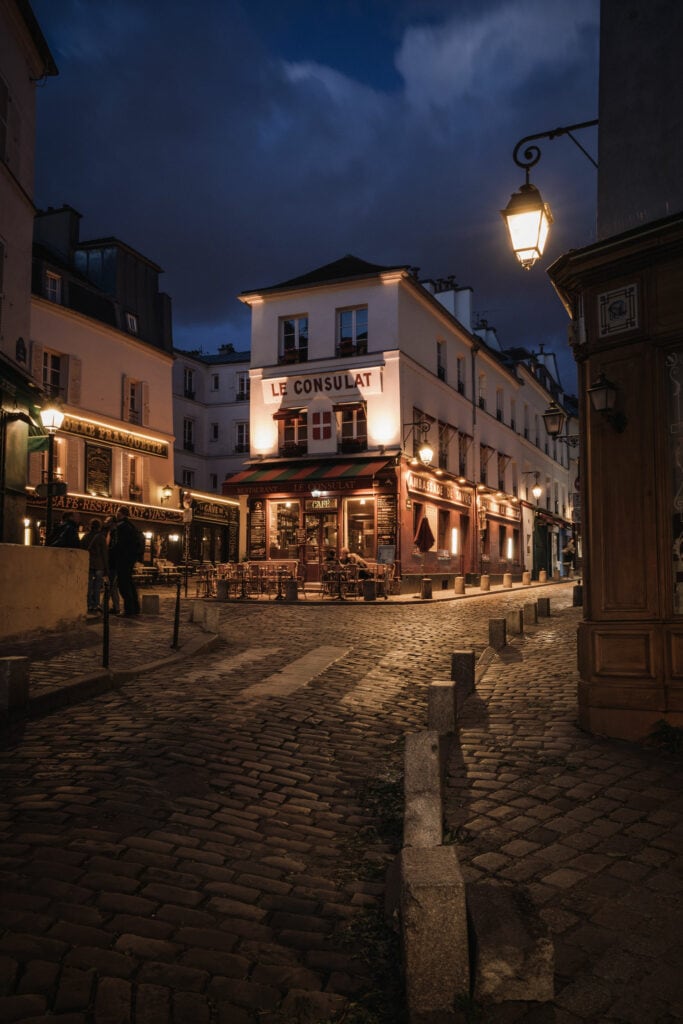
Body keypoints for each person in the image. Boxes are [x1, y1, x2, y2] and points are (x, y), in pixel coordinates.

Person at [110, 506, 144, 617]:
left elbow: (120, 544)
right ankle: (135, 608)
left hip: (123, 559)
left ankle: (129, 610)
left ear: (120, 514)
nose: (116, 514)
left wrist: (112, 553)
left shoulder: (123, 527)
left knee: (124, 584)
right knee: (129, 583)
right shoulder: (130, 526)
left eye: (117, 512)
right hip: (129, 559)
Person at [81, 519, 109, 613]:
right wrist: (106, 567)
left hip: (89, 564)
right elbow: (104, 553)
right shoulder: (101, 537)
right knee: (97, 586)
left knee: (89, 586)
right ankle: (96, 604)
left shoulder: (85, 536)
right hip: (99, 565)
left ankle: (88, 604)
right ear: (99, 527)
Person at [103, 516, 121, 614]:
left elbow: (113, 548)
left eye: (108, 521)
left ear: (113, 523)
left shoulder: (115, 533)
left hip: (113, 563)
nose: (105, 522)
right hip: (112, 563)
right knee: (113, 587)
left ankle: (104, 606)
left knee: (109, 586)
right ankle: (116, 607)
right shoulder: (110, 532)